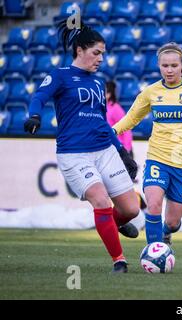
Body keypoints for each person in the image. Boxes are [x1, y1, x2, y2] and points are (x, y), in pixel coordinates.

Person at [23, 20, 141, 273]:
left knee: (131, 209)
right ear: (79, 50)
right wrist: (34, 115)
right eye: (96, 53)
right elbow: (39, 97)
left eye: (103, 54)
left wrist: (120, 150)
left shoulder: (98, 84)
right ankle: (119, 260)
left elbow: (100, 121)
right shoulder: (60, 75)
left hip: (105, 150)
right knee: (101, 201)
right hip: (75, 154)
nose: (100, 59)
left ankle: (116, 223)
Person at [112, 42, 182, 246]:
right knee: (153, 205)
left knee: (173, 221)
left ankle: (166, 232)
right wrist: (113, 131)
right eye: (165, 66)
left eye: (174, 65)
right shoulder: (151, 92)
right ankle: (154, 252)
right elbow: (131, 118)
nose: (169, 70)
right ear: (159, 66)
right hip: (158, 158)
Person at [106, 81, 134, 158]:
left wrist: (127, 149)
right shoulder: (100, 107)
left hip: (120, 149)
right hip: (108, 149)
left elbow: (126, 129)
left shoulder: (115, 108)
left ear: (109, 94)